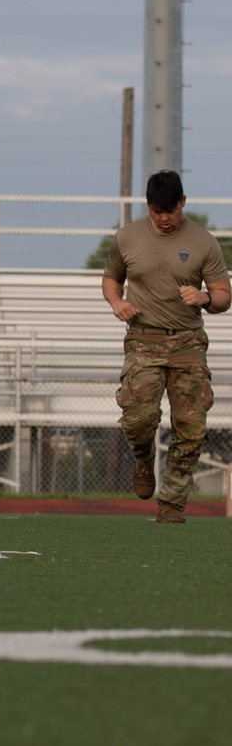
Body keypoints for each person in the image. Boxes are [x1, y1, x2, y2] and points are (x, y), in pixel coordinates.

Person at [102, 170, 230, 523]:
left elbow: (223, 295)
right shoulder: (126, 238)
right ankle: (143, 459)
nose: (164, 218)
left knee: (191, 427)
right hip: (144, 339)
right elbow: (112, 279)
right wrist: (116, 304)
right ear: (149, 205)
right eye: (158, 211)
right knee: (138, 419)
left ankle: (171, 503)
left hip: (188, 343)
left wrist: (205, 297)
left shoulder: (204, 242)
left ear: (182, 204)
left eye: (170, 211)